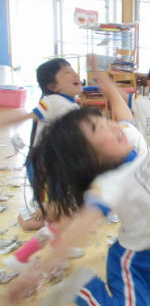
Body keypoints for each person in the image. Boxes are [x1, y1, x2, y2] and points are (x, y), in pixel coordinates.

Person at [8, 54, 150, 305]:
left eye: (103, 121)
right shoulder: (110, 183)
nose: (111, 126)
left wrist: (105, 82)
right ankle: (84, 291)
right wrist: (42, 268)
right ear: (91, 158)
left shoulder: (131, 140)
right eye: (99, 130)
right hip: (133, 258)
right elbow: (82, 228)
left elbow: (121, 110)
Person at [2, 58, 84, 272]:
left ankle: (59, 246)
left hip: (57, 167)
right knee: (61, 216)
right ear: (53, 86)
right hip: (45, 168)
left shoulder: (69, 103)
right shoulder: (53, 101)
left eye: (73, 70)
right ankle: (21, 257)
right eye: (67, 72)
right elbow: (32, 115)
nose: (74, 74)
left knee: (62, 213)